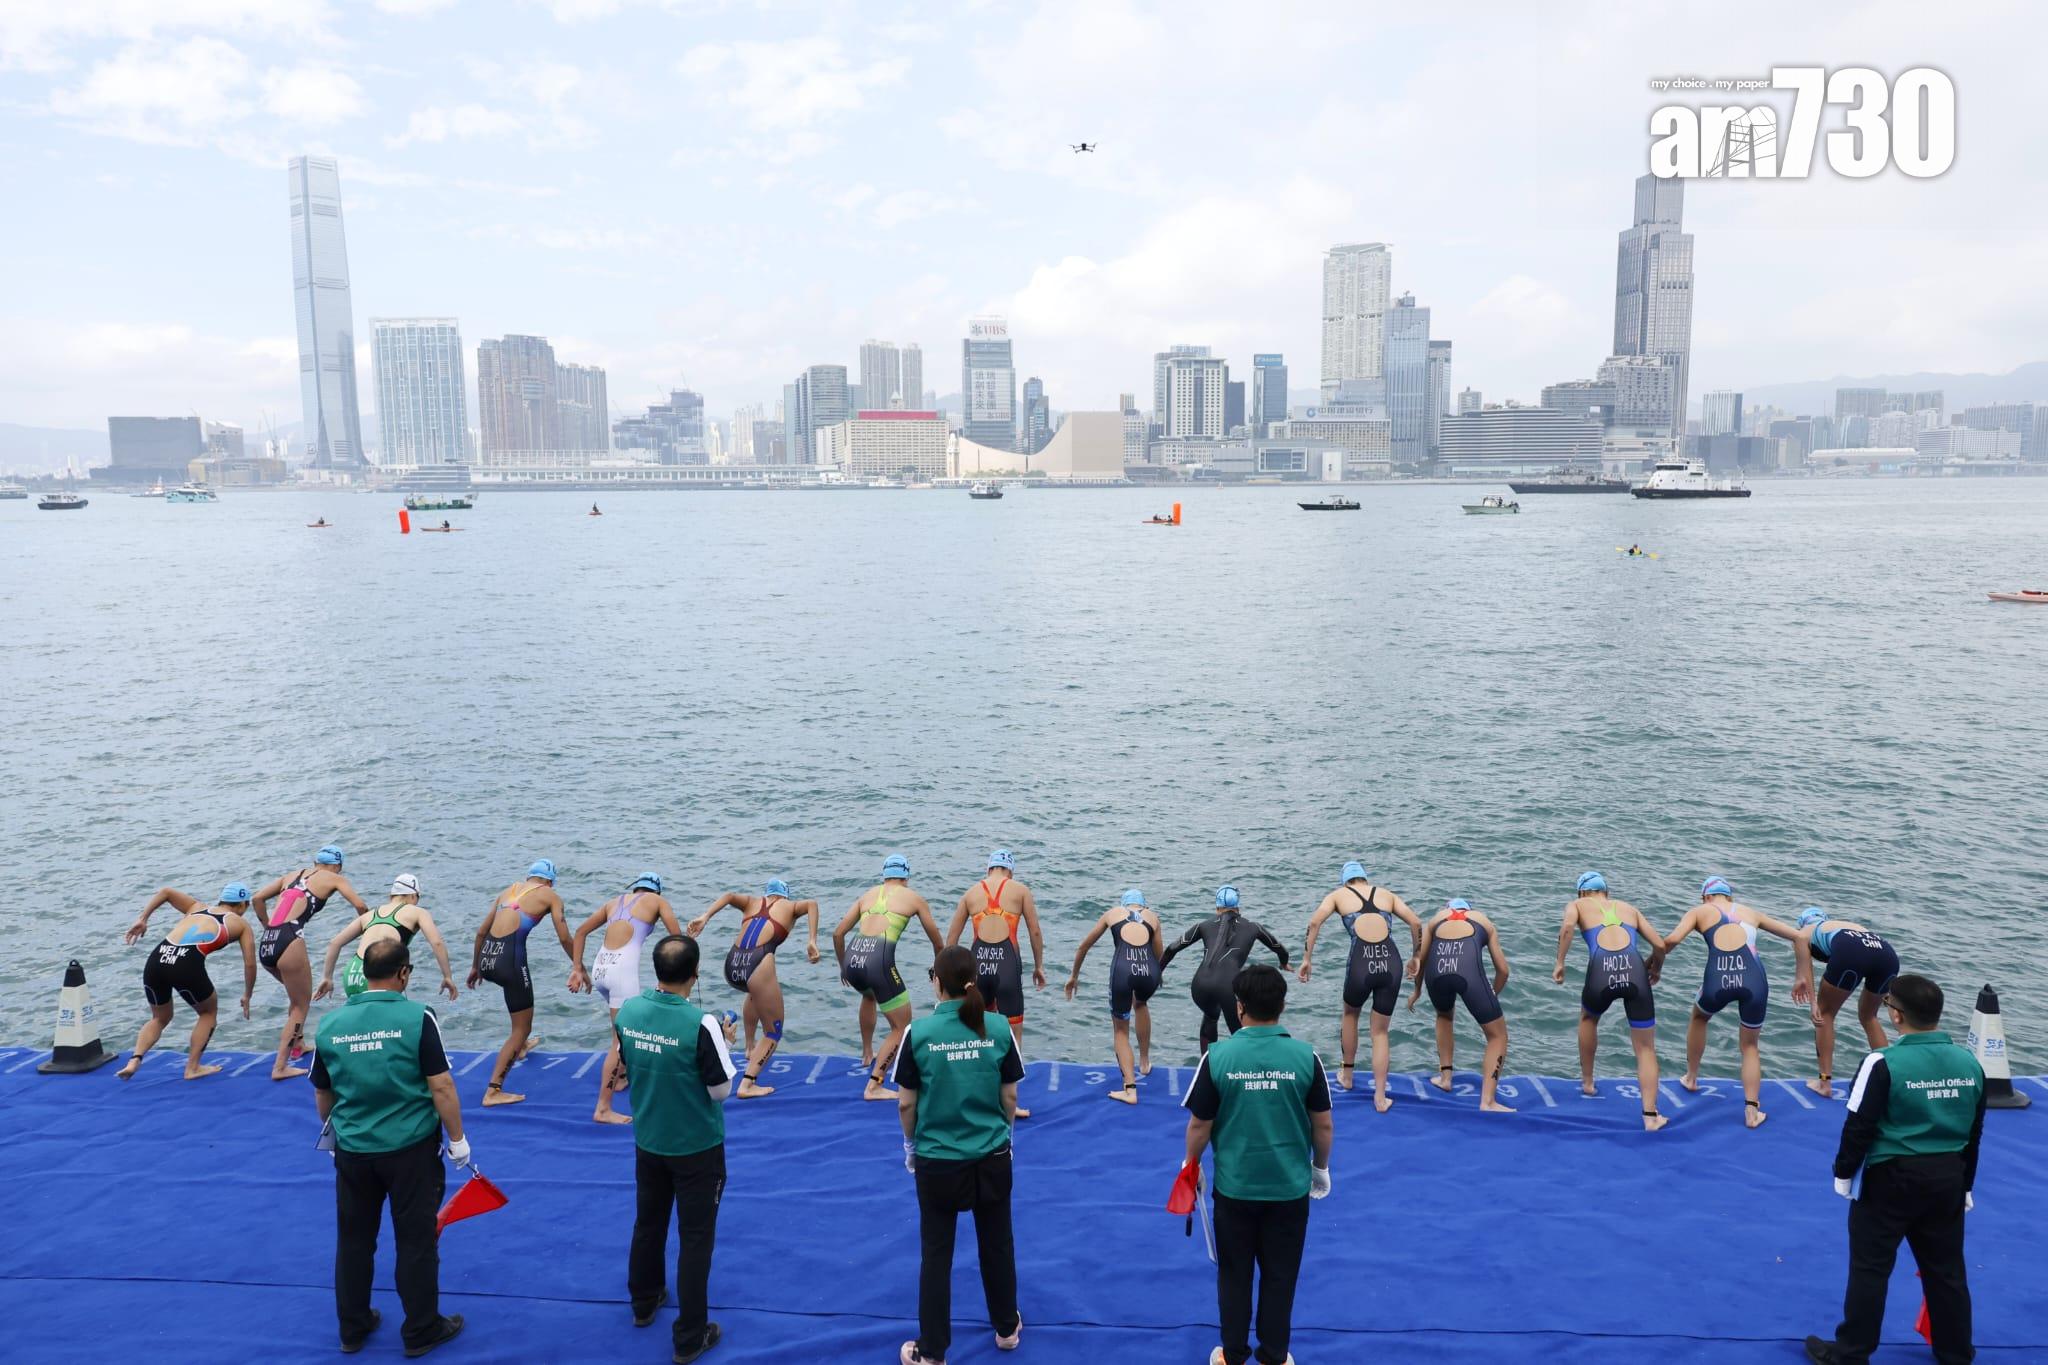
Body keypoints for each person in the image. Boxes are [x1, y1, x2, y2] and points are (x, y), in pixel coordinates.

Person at [1804, 974, 1985, 1365]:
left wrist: (1843, 1173)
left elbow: (1859, 1125)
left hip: (1891, 1179)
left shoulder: (1882, 1062)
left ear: (1897, 1017)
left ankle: (1852, 1353)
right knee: (1946, 1270)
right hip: (1947, 1178)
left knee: (1871, 1269)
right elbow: (1974, 1130)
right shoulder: (1970, 1063)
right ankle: (1955, 1353)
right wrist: (1965, 1184)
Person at [311, 939, 467, 1357]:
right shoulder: (418, 1016)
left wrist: (334, 1133)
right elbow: (441, 1084)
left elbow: (322, 1092)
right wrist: (457, 1140)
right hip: (410, 1148)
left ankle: (353, 1327)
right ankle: (420, 1329)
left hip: (354, 1149)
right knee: (415, 1240)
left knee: (354, 1239)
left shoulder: (330, 1024)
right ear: (403, 973)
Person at [1181, 964, 1333, 1365]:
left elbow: (1199, 1124)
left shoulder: (1217, 1056)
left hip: (1235, 1190)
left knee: (1234, 1275)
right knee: (1281, 1277)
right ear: (1282, 1006)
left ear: (1239, 1007)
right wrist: (1319, 1167)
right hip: (1289, 1189)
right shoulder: (1307, 1058)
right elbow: (1324, 1124)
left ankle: (1232, 1355)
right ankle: (1275, 1354)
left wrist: (1191, 1166)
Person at [892, 945, 1024, 1365]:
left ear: (937, 982)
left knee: (936, 1254)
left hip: (938, 1161)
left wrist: (911, 1147)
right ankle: (1006, 1328)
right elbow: (1010, 1096)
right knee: (997, 1243)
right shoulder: (1000, 1029)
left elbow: (905, 1105)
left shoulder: (919, 1033)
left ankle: (932, 1351)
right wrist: (1005, 1137)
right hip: (991, 1155)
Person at [615, 934, 737, 1365]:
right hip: (696, 1146)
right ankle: (690, 1335)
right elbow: (720, 1090)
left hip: (649, 1139)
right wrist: (725, 1041)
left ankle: (643, 1301)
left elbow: (627, 1060)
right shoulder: (701, 1024)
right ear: (695, 973)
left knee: (648, 1221)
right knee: (695, 1237)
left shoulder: (628, 1011)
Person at [1661, 876, 1803, 1128]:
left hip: (1718, 980)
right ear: (1729, 897)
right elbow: (1799, 937)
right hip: (1754, 982)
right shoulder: (1751, 913)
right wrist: (1801, 976)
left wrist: (1654, 963)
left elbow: (1671, 941)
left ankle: (1691, 1077)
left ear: (1706, 897)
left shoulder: (1700, 911)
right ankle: (1752, 1112)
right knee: (1750, 1047)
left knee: (1699, 1016)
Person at [1296, 860, 1423, 1109]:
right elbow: (1416, 923)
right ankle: (1380, 1098)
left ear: (1345, 880)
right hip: (1391, 963)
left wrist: (1307, 959)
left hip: (1361, 964)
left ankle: (1347, 1076)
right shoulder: (1386, 894)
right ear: (1365, 878)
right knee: (1380, 1032)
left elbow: (1314, 923)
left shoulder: (1337, 895)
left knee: (1350, 1015)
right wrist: (1416, 956)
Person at [1551, 870, 1671, 1131]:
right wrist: (1655, 968)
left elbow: (1568, 926)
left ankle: (1588, 1082)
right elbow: (1660, 945)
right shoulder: (1629, 908)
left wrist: (1560, 962)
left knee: (1588, 1018)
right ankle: (1651, 1116)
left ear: (1582, 892)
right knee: (1646, 1049)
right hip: (1635, 972)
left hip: (1600, 972)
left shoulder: (1577, 905)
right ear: (1606, 892)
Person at [690, 879, 821, 1099]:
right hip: (758, 963)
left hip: (732, 964)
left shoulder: (752, 901)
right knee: (773, 1031)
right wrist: (812, 940)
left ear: (767, 894)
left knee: (753, 993)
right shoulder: (789, 907)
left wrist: (705, 917)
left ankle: (750, 1048)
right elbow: (812, 904)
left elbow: (729, 894)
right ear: (785, 896)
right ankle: (748, 1084)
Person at [569, 874, 684, 1125]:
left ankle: (620, 1078)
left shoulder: (614, 901)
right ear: (657, 891)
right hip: (622, 974)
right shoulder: (657, 901)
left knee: (624, 1029)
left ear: (635, 888)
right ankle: (603, 1108)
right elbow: (677, 940)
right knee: (619, 1041)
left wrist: (578, 968)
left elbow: (580, 932)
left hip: (601, 970)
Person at [249, 845, 368, 1081]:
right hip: (290, 938)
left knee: (295, 998)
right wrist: (368, 932)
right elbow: (361, 906)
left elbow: (257, 898)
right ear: (337, 865)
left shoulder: (291, 875)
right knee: (301, 1005)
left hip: (268, 941)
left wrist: (266, 925)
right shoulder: (334, 877)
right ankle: (280, 1066)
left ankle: (298, 1044)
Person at [118, 883, 258, 1080]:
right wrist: (248, 994)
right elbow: (250, 964)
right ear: (243, 905)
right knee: (208, 1012)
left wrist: (143, 919)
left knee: (159, 1018)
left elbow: (165, 891)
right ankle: (192, 1068)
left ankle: (135, 1060)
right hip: (185, 965)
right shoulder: (241, 924)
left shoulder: (196, 907)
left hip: (157, 959)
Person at [833, 854, 944, 1100]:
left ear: (884, 874)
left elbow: (838, 934)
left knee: (869, 996)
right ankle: (875, 1084)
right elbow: (937, 942)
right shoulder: (913, 898)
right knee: (901, 1026)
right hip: (878, 963)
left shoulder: (867, 895)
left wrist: (844, 966)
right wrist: (938, 970)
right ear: (906, 877)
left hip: (853, 959)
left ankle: (867, 1052)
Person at [468, 859, 575, 1107]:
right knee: (521, 1027)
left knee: (519, 1011)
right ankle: (494, 1090)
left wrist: (476, 966)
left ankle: (522, 1046)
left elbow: (481, 932)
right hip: (510, 961)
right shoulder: (550, 895)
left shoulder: (507, 890)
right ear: (549, 882)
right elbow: (565, 937)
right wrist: (578, 965)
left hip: (487, 957)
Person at [944, 849, 1048, 1073]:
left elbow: (951, 940)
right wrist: (1039, 966)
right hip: (1007, 967)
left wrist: (947, 976)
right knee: (1013, 1032)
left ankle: (982, 1080)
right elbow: (1035, 932)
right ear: (1010, 871)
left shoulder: (970, 893)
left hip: (977, 968)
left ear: (988, 868)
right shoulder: (1021, 891)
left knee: (980, 1028)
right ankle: (1011, 1096)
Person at [1407, 898, 1514, 1112]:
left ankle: (1445, 1079)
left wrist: (1416, 991)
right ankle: (1487, 1102)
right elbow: (1503, 970)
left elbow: (1421, 959)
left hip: (1436, 974)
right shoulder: (1483, 921)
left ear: (1447, 909)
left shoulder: (1435, 920)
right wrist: (1492, 993)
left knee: (1444, 1016)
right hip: (1469, 974)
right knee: (1497, 1036)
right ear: (1468, 909)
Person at [1062, 887, 1164, 1103]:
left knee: (1120, 1030)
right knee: (1141, 1003)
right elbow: (1159, 954)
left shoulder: (1112, 914)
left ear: (1123, 904)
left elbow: (1084, 946)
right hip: (1149, 972)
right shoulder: (1153, 917)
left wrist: (1074, 976)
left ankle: (1129, 1089)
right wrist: (1155, 976)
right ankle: (1144, 1062)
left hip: (1123, 972)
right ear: (1143, 905)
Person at [1161, 886, 1290, 1055]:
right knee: (1240, 1032)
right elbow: (1279, 948)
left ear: (1217, 908)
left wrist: (1159, 971)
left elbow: (1172, 948)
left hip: (1199, 986)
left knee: (1210, 1016)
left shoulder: (1203, 925)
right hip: (1227, 988)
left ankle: (1206, 1064)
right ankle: (1244, 1070)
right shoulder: (1254, 927)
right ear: (1238, 907)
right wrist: (1283, 963)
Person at [1790, 907, 1902, 1098]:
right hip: (1886, 953)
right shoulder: (1842, 925)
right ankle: (1893, 1081)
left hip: (1851, 950)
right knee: (1869, 1017)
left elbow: (1804, 970)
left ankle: (1824, 1084)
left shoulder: (1803, 932)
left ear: (1803, 923)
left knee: (1825, 1015)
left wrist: (1813, 1004)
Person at [315, 874, 458, 1004]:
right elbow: (437, 942)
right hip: (379, 973)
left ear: (391, 896)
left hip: (352, 974)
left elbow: (335, 943)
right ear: (414, 896)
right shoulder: (418, 912)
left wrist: (327, 978)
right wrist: (447, 977)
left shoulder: (370, 914)